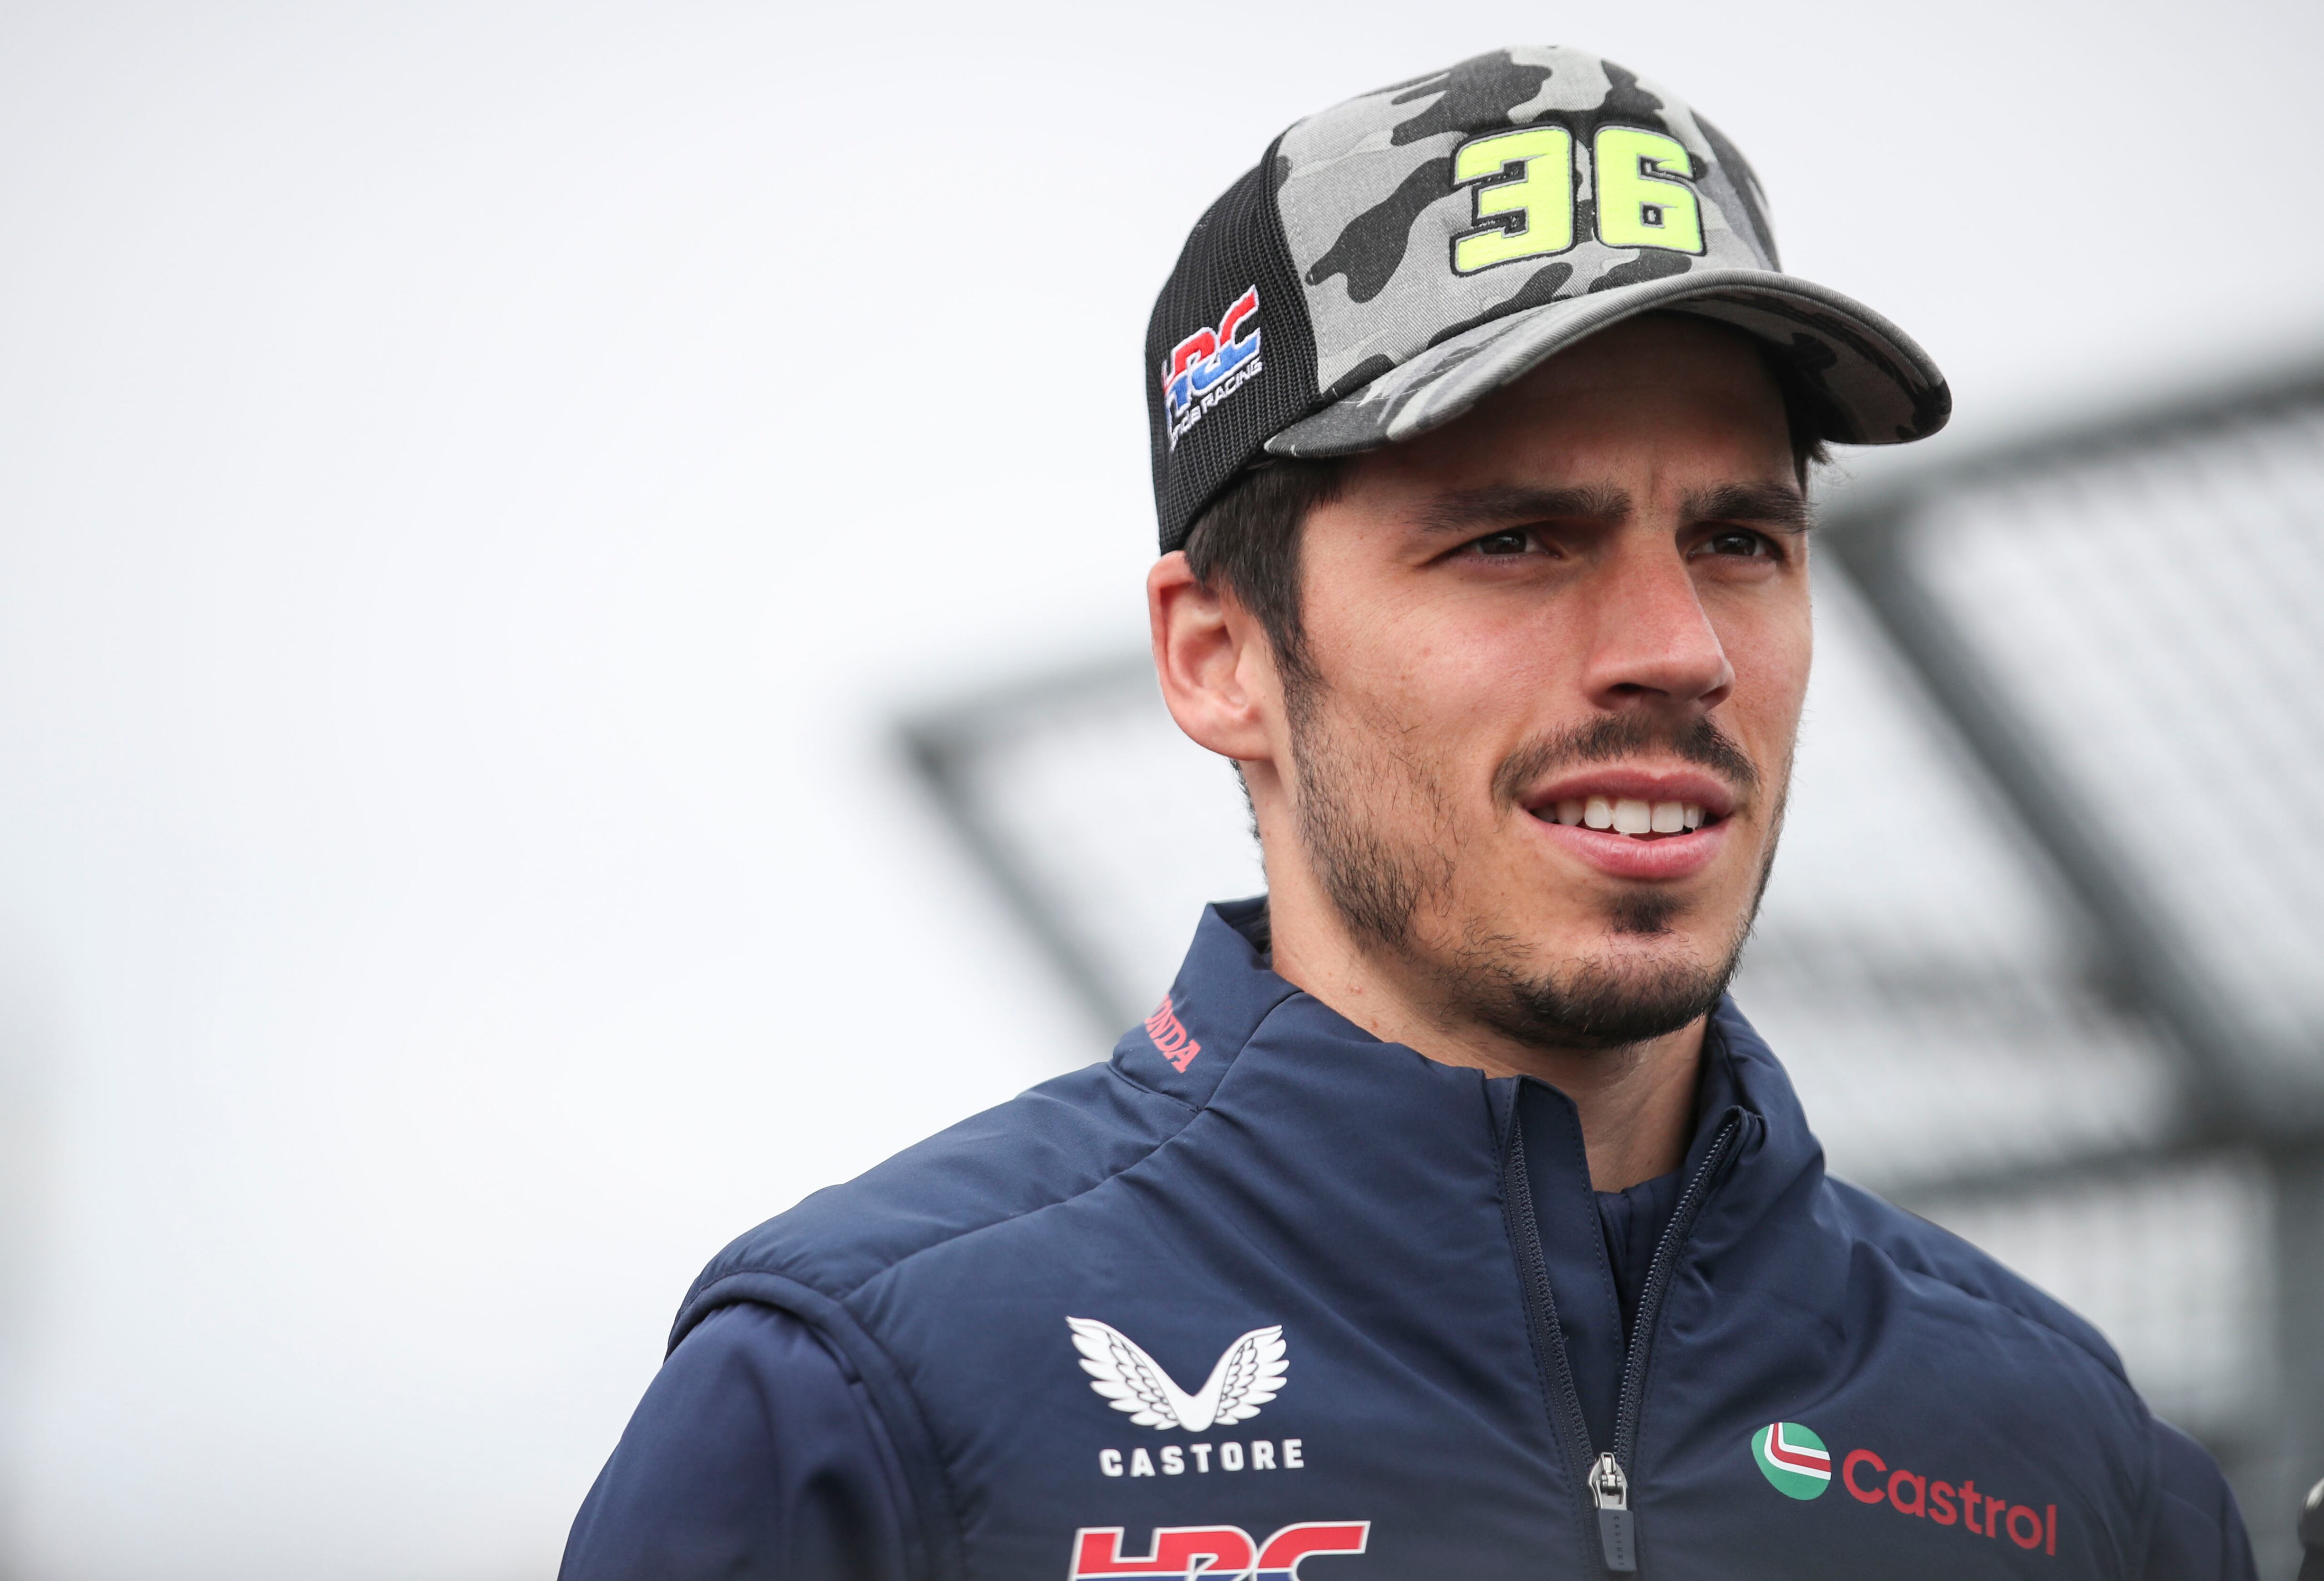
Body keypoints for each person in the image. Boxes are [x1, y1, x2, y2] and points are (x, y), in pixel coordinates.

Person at [560, 46, 2255, 1580]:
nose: (1677, 650)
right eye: (1515, 538)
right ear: (1221, 658)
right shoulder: (860, 1397)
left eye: (1741, 539)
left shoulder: (2065, 1454)